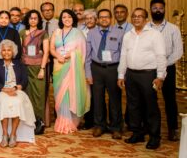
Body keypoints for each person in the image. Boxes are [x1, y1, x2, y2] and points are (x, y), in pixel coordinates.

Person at [118, 8, 166, 149]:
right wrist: (121, 75)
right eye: (134, 16)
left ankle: (154, 137)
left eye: (140, 16)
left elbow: (161, 56)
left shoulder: (154, 35)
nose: (136, 19)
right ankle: (137, 133)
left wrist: (160, 77)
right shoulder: (128, 35)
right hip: (131, 75)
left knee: (151, 106)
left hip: (148, 75)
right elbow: (123, 56)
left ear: (146, 19)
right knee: (133, 105)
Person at [84, 9, 125, 139]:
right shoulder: (91, 33)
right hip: (96, 68)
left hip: (113, 68)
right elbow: (87, 55)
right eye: (101, 17)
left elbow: (123, 54)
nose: (104, 19)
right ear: (97, 19)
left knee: (114, 99)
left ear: (111, 18)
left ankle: (116, 127)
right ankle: (99, 125)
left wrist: (121, 74)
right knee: (97, 98)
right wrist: (88, 73)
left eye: (106, 17)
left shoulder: (119, 33)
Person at [49, 9, 90, 134]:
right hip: (58, 66)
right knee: (59, 95)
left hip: (72, 67)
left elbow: (83, 53)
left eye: (69, 17)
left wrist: (71, 55)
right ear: (61, 19)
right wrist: (58, 56)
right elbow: (51, 48)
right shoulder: (57, 32)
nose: (66, 19)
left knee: (70, 93)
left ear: (73, 19)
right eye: (64, 17)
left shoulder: (78, 33)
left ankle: (71, 122)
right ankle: (61, 120)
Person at [148, 0, 183, 141]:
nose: (157, 10)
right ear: (150, 10)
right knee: (150, 99)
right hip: (149, 68)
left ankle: (172, 129)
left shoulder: (173, 29)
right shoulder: (145, 28)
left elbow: (178, 51)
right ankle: (150, 128)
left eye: (160, 8)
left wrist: (163, 64)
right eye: (155, 8)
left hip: (168, 68)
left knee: (170, 100)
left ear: (164, 9)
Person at [0, 40, 35, 148]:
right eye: (4, 50)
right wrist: (6, 90)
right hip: (2, 91)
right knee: (5, 101)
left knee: (17, 101)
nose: (6, 52)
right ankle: (5, 134)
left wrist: (15, 88)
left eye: (9, 50)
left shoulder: (20, 64)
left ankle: (13, 134)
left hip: (17, 90)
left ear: (13, 52)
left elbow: (24, 80)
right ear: (0, 52)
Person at [19, 10, 49, 134]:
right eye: (31, 18)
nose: (33, 20)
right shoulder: (22, 32)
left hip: (38, 68)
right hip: (25, 66)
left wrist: (42, 68)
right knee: (27, 94)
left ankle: (39, 121)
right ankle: (28, 121)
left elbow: (46, 52)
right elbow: (20, 51)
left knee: (39, 95)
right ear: (27, 20)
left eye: (35, 18)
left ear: (38, 20)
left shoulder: (43, 33)